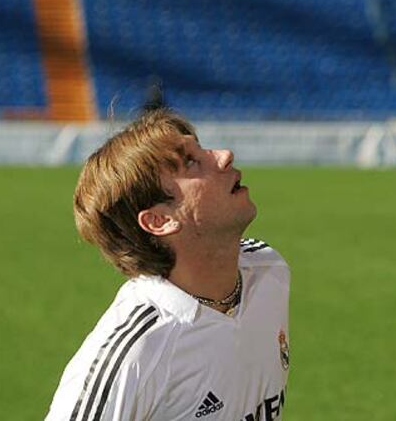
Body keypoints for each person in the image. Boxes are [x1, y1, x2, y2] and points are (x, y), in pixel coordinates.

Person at [45, 107, 290, 421]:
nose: (225, 155)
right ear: (160, 220)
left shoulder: (268, 271)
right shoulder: (136, 352)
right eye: (190, 161)